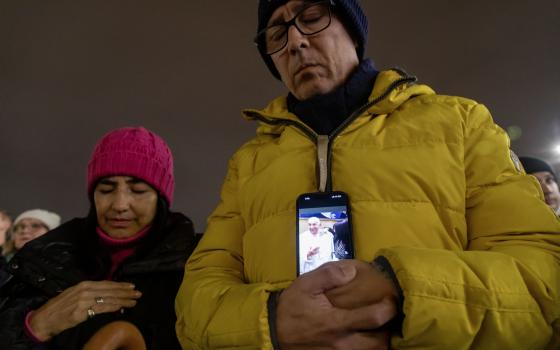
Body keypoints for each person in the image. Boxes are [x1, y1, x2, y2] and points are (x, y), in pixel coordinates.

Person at [175, 1, 560, 349]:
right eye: (276, 35)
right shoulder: (249, 162)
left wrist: (404, 289)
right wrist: (272, 320)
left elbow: (544, 280)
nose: (294, 42)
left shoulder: (460, 125)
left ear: (354, 31)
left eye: (311, 18)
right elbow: (196, 304)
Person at [0, 127, 199, 349]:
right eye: (106, 189)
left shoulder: (198, 263)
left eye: (139, 190)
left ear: (160, 199)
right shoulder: (41, 259)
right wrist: (35, 326)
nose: (120, 205)